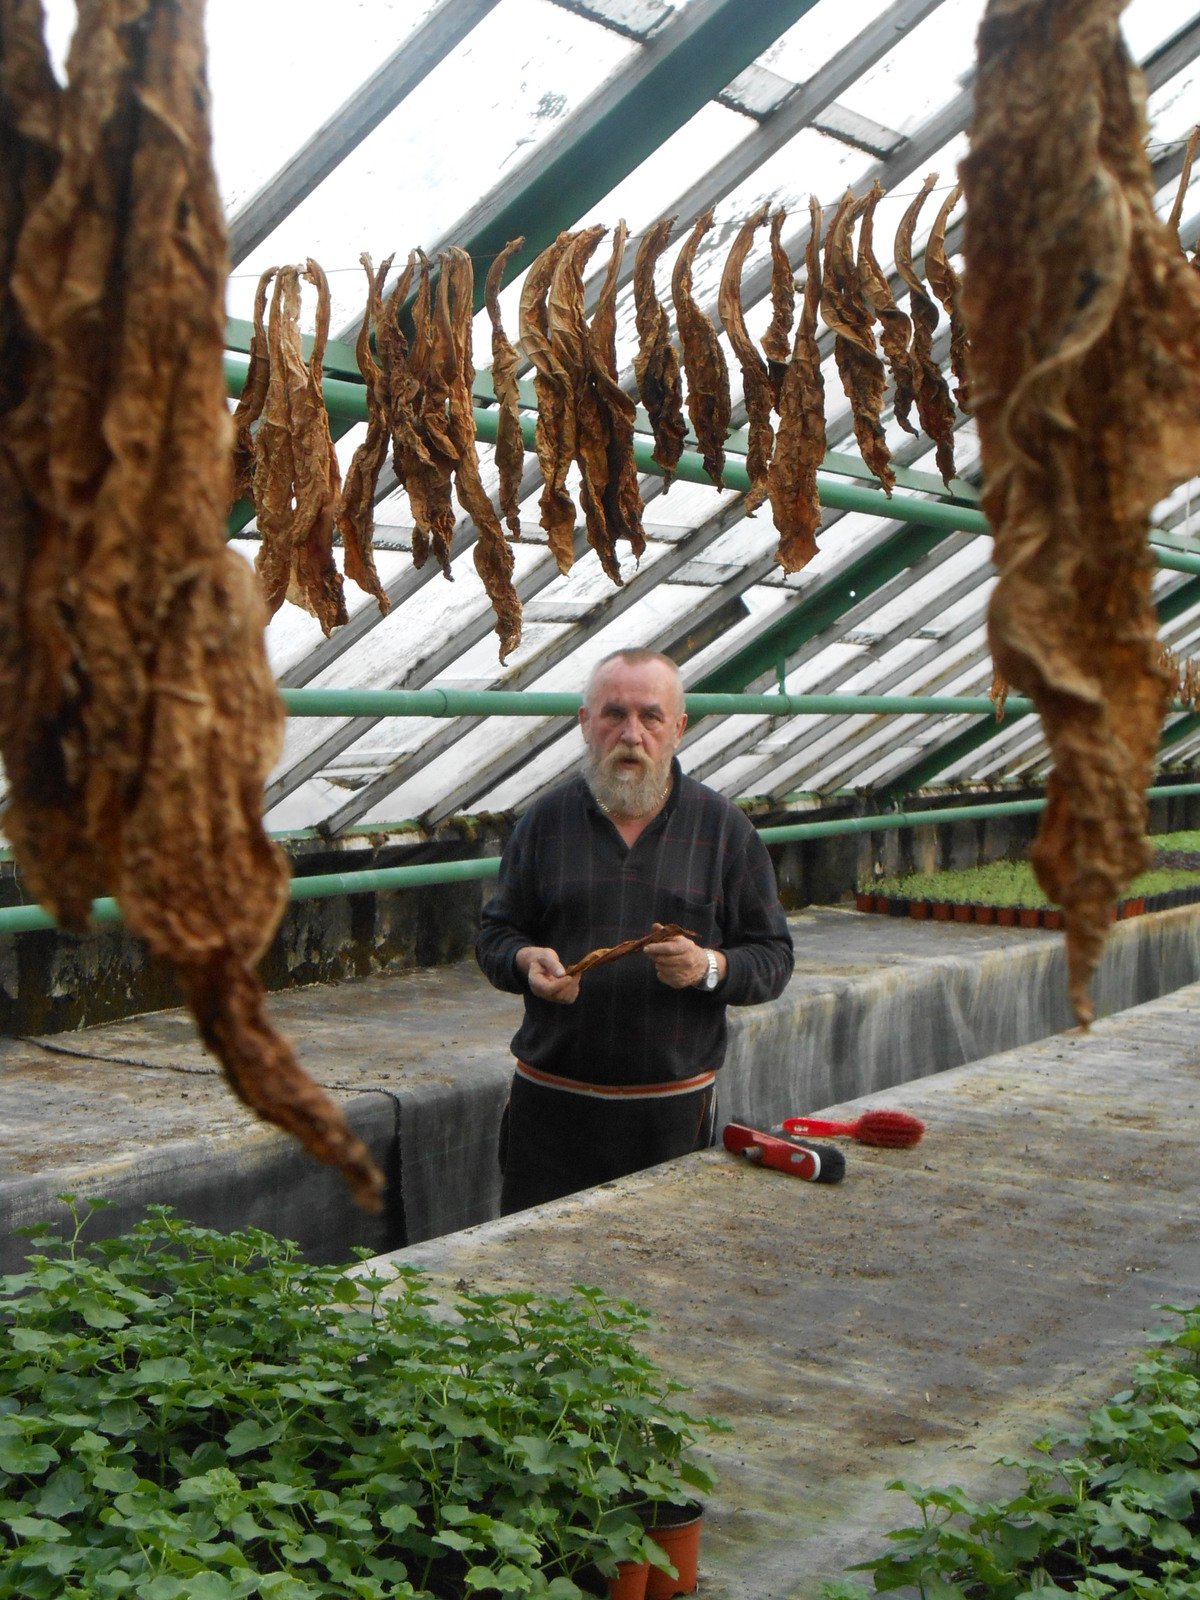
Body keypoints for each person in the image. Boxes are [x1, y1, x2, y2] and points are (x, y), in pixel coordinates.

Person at [475, 647, 794, 1213]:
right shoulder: (543, 824)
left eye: (650, 716)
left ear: (678, 728)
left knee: (659, 1278)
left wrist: (708, 968)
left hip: (669, 1113)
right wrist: (525, 963)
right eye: (613, 714)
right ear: (584, 724)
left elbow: (772, 957)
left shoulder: (724, 830)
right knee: (533, 1277)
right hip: (551, 1108)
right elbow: (496, 935)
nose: (631, 733)